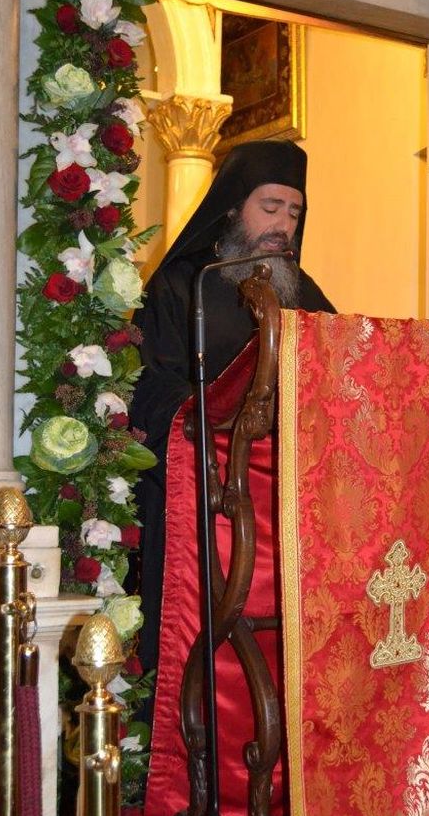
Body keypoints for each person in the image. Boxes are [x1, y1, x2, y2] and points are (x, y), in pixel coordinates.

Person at [130, 139, 334, 672]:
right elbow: (150, 388)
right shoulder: (184, 283)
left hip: (283, 505)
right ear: (233, 206)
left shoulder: (304, 294)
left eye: (294, 213)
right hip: (205, 497)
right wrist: (217, 419)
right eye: (270, 207)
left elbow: (339, 376)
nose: (283, 225)